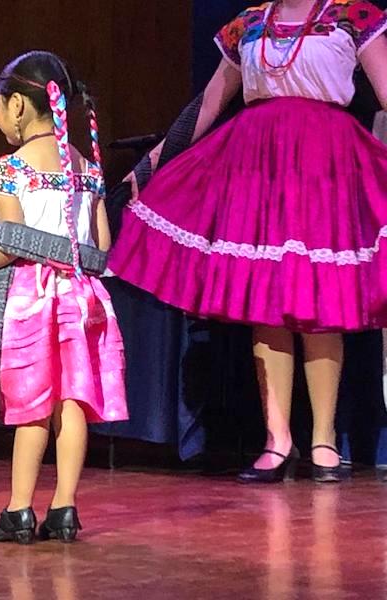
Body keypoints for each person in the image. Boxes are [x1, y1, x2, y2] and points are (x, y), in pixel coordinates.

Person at [107, 0, 387, 483]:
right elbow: (211, 101)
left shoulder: (352, 14)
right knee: (266, 299)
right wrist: (150, 164)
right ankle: (277, 439)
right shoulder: (250, 22)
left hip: (325, 167)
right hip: (257, 168)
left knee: (319, 297)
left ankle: (323, 438)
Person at [0, 51, 127, 543]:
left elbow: (9, 242)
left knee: (31, 406)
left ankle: (19, 509)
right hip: (82, 297)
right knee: (73, 400)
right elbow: (101, 248)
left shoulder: (9, 169)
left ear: (19, 107)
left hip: (30, 298)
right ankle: (64, 507)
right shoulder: (87, 169)